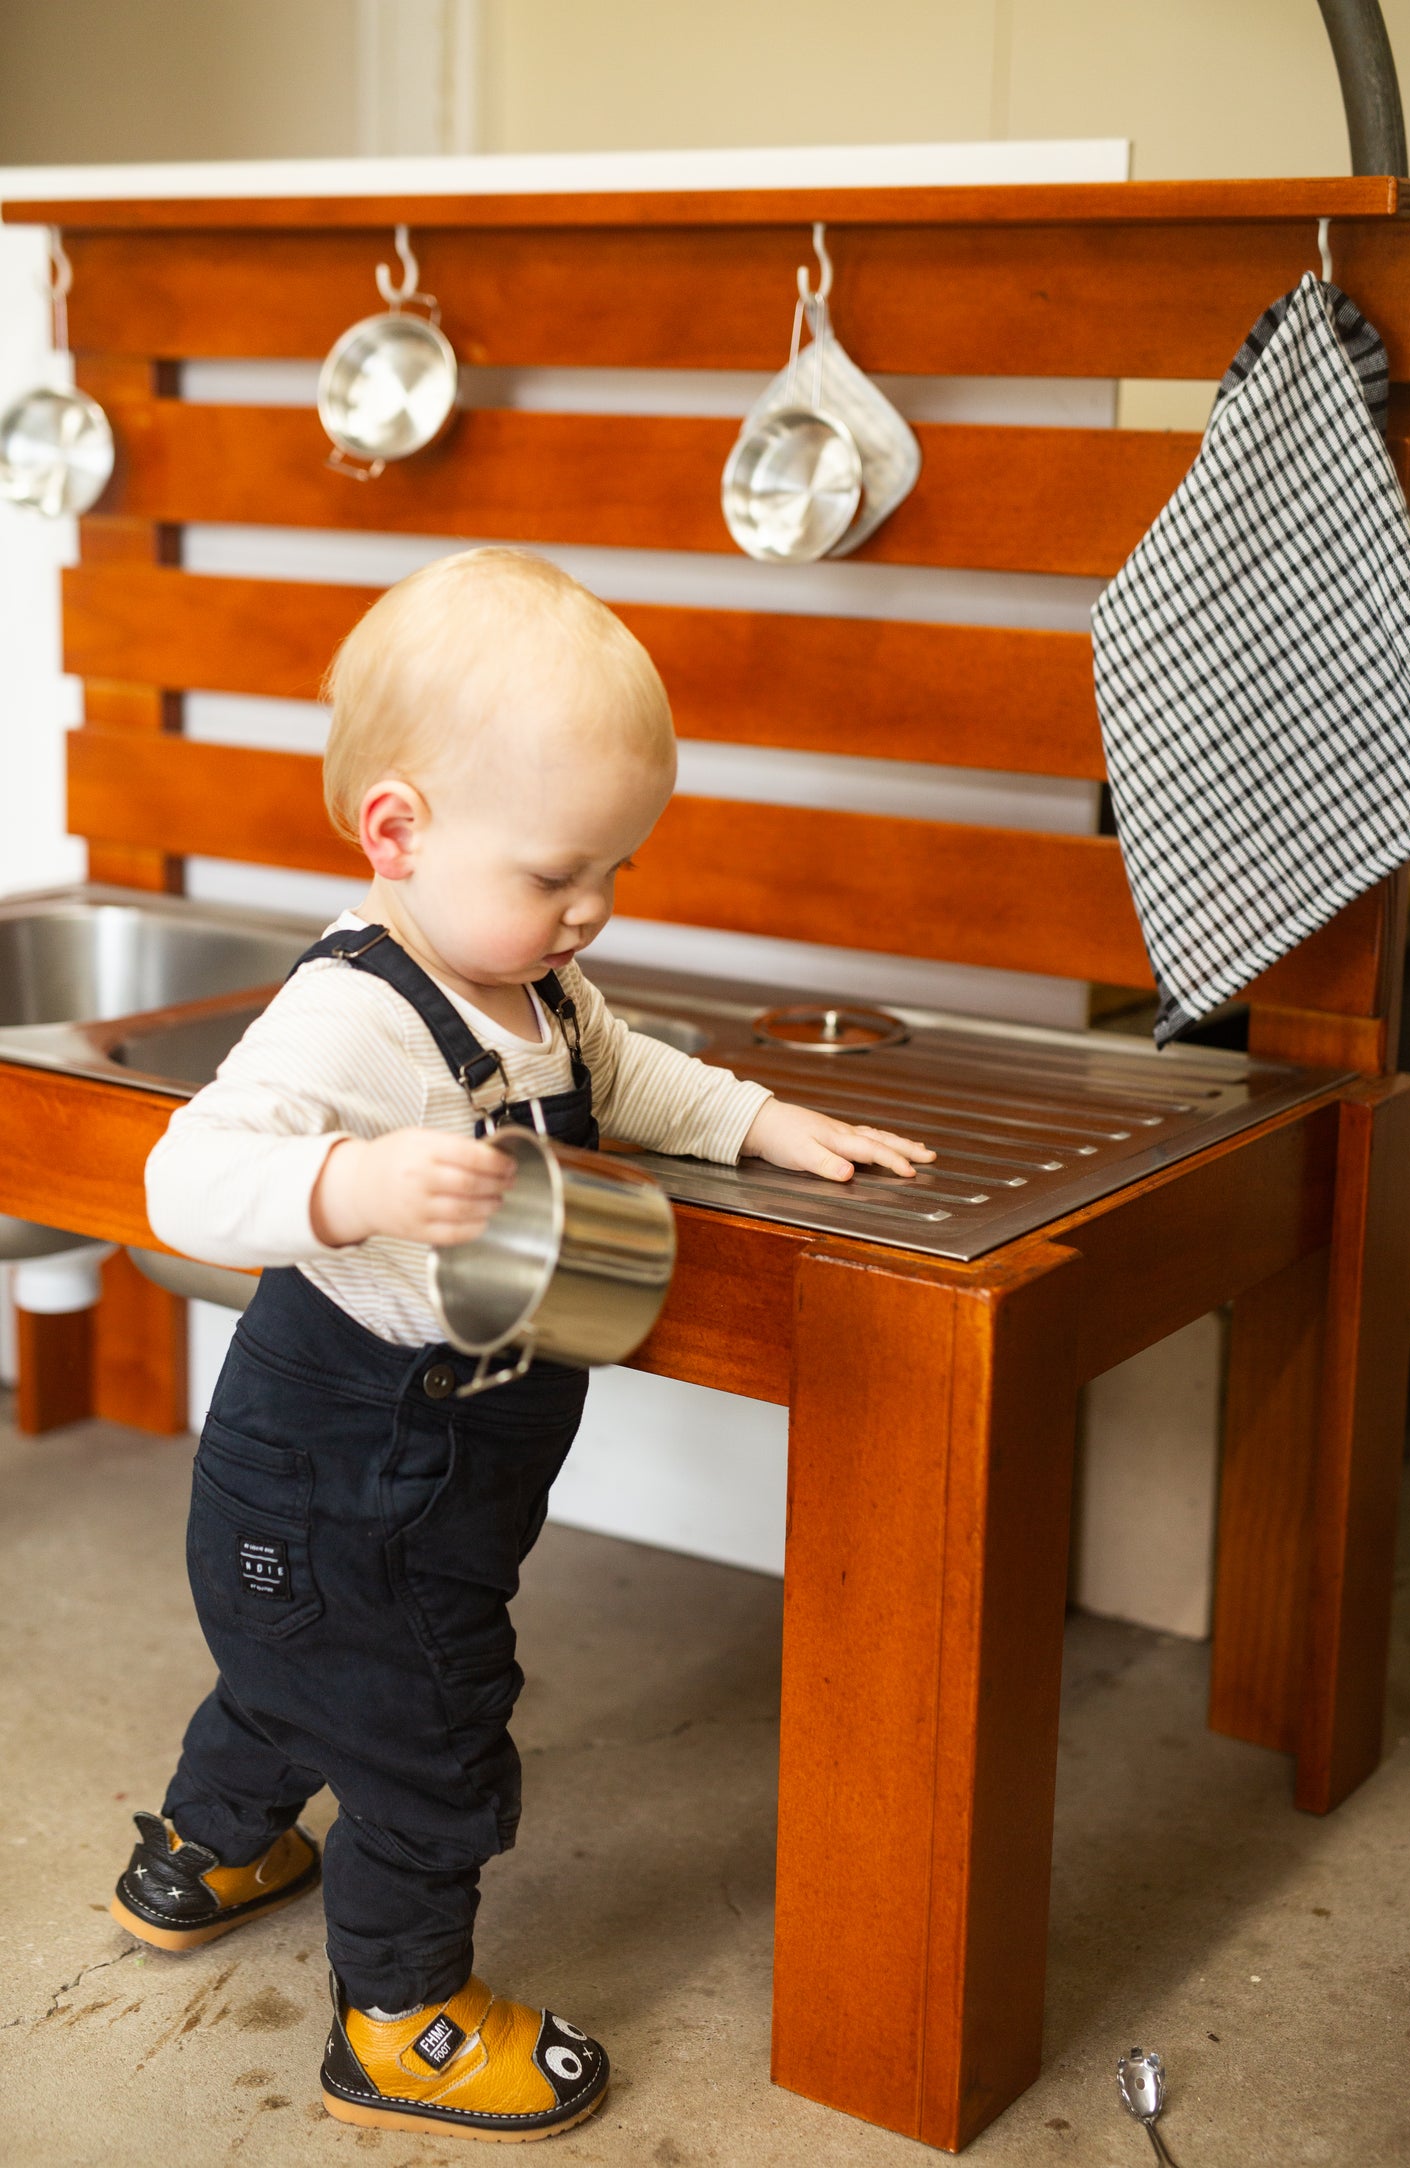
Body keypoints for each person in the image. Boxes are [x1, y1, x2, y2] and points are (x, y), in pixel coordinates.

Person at [108, 547, 933, 2143]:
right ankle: (398, 2021)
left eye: (617, 864)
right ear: (397, 832)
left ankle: (200, 1858)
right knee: (426, 1731)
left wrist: (768, 1121)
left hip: (432, 1459)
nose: (595, 907)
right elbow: (183, 1176)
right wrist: (344, 1183)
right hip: (343, 1457)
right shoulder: (351, 1018)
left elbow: (640, 1081)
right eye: (560, 869)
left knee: (297, 1678)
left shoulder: (537, 984)